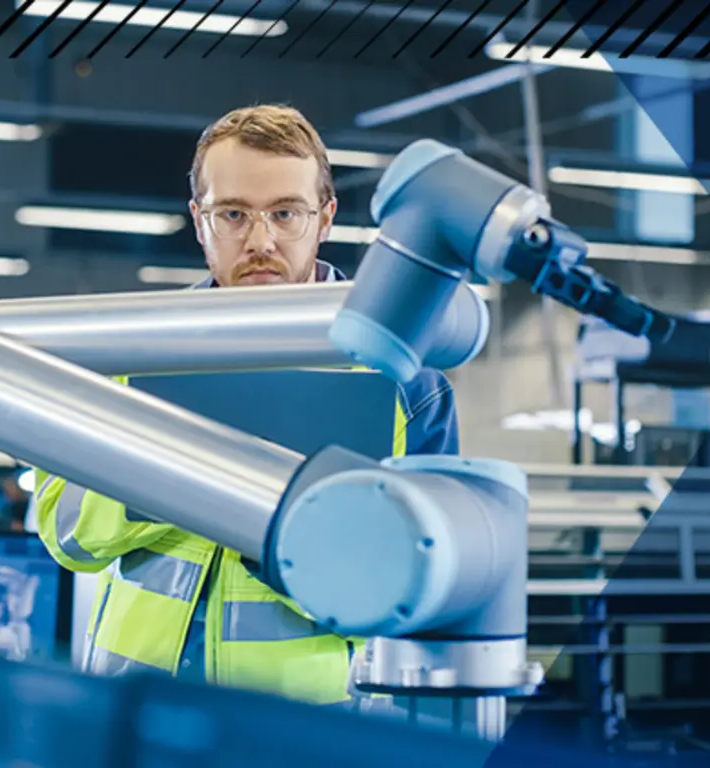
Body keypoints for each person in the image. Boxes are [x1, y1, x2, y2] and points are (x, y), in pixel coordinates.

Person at [34, 104, 460, 707]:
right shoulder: (133, 348)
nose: (260, 241)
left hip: (296, 729)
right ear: (199, 220)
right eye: (232, 214)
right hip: (132, 707)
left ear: (325, 218)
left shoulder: (403, 377)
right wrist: (170, 476)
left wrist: (282, 533)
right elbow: (63, 531)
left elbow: (430, 590)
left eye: (286, 213)